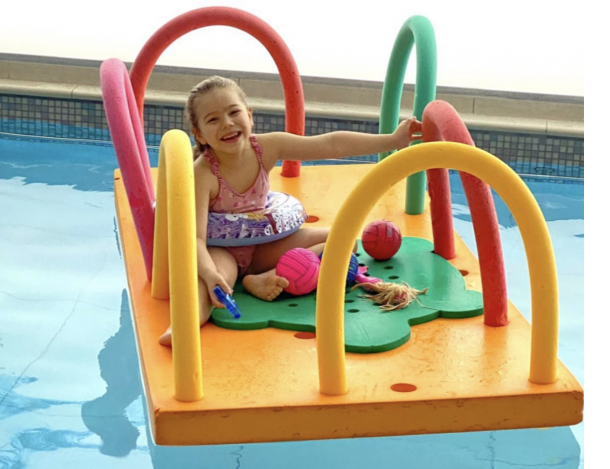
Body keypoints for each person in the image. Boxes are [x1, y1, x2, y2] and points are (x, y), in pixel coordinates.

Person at [159, 75, 422, 347]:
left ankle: (262, 278)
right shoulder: (202, 174)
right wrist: (208, 272)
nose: (227, 123)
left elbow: (330, 144)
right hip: (221, 251)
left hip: (264, 246)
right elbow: (195, 237)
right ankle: (182, 327)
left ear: (250, 116)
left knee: (344, 242)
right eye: (213, 119)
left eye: (234, 112)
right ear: (199, 134)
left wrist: (392, 140)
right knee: (213, 284)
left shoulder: (266, 148)